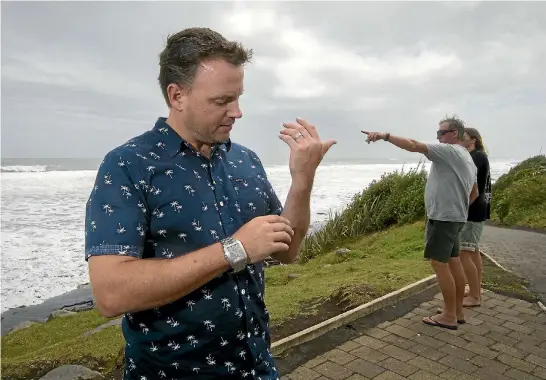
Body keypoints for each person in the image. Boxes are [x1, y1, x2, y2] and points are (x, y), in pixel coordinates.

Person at [84, 27, 336, 380]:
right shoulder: (128, 165)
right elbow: (110, 293)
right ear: (177, 95)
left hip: (257, 367)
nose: (237, 112)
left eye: (238, 97)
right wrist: (235, 250)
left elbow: (286, 251)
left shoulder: (245, 160)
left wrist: (302, 181)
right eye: (222, 101)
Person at [362, 117, 478, 330]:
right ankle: (457, 311)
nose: (438, 137)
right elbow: (474, 192)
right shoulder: (467, 158)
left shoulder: (450, 151)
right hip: (455, 217)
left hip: (443, 218)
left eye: (441, 133)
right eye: (437, 133)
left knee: (439, 264)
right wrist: (458, 207)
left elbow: (414, 145)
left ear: (455, 134)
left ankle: (449, 316)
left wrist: (384, 136)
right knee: (453, 263)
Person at [459, 127, 491, 307]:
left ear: (473, 140)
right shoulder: (478, 156)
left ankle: (475, 297)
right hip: (477, 210)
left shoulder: (476, 157)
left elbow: (473, 187)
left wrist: (462, 207)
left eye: (463, 137)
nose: (460, 140)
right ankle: (474, 289)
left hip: (472, 211)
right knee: (474, 252)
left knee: (464, 252)